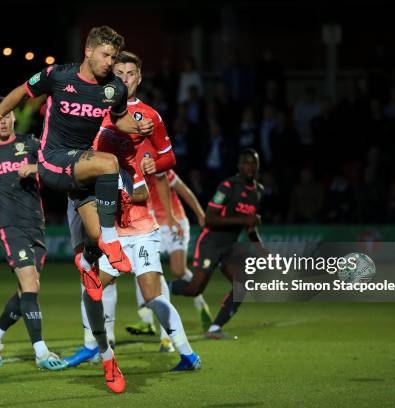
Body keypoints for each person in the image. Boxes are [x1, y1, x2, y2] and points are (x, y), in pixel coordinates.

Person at [0, 26, 154, 297]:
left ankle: (87, 261)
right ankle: (114, 243)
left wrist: (138, 126)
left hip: (82, 166)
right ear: (88, 51)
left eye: (113, 57)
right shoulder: (58, 75)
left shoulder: (114, 88)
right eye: (105, 55)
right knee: (110, 163)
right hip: (53, 159)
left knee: (94, 234)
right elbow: (21, 92)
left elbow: (119, 118)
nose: (110, 63)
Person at [63, 52, 201, 391]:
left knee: (152, 294)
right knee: (92, 285)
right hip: (108, 218)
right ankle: (95, 345)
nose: (124, 78)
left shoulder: (148, 116)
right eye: (119, 72)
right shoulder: (98, 110)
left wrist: (157, 164)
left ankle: (186, 352)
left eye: (131, 73)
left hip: (137, 221)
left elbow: (167, 156)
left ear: (139, 78)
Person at [0, 96, 66, 371]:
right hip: (9, 224)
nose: (3, 121)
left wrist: (36, 168)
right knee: (30, 286)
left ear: (14, 117)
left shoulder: (30, 144)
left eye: (6, 115)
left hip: (36, 225)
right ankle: (41, 352)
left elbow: (56, 169)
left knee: (27, 290)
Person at [169, 148, 264, 339]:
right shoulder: (228, 186)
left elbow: (250, 226)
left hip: (229, 247)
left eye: (254, 163)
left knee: (242, 284)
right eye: (246, 162)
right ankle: (163, 287)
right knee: (195, 289)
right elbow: (210, 218)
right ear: (239, 165)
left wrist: (261, 249)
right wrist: (244, 221)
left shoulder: (258, 192)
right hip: (210, 243)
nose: (250, 167)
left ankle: (215, 328)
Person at [125, 168, 213, 335]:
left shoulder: (160, 170)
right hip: (152, 226)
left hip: (175, 222)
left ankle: (200, 303)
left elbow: (184, 191)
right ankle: (146, 320)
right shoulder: (132, 172)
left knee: (178, 270)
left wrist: (200, 215)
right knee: (142, 269)